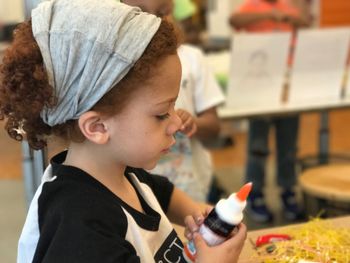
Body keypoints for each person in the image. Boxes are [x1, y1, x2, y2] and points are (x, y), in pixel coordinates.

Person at [0, 0, 247, 262]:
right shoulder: (78, 230)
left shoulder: (120, 173)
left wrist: (199, 215)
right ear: (97, 127)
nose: (176, 123)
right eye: (161, 113)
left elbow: (161, 192)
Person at [122, 0, 226, 203]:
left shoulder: (193, 58)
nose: (153, 21)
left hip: (191, 185)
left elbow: (214, 126)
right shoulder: (120, 65)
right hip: (137, 189)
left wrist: (193, 123)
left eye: (162, 13)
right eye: (139, 13)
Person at [229, 0, 310, 223]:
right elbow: (234, 20)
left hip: (287, 87)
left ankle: (287, 190)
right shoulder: (251, 6)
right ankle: (255, 194)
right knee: (258, 146)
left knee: (289, 146)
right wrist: (269, 16)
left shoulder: (288, 6)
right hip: (260, 89)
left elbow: (304, 23)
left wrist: (291, 17)